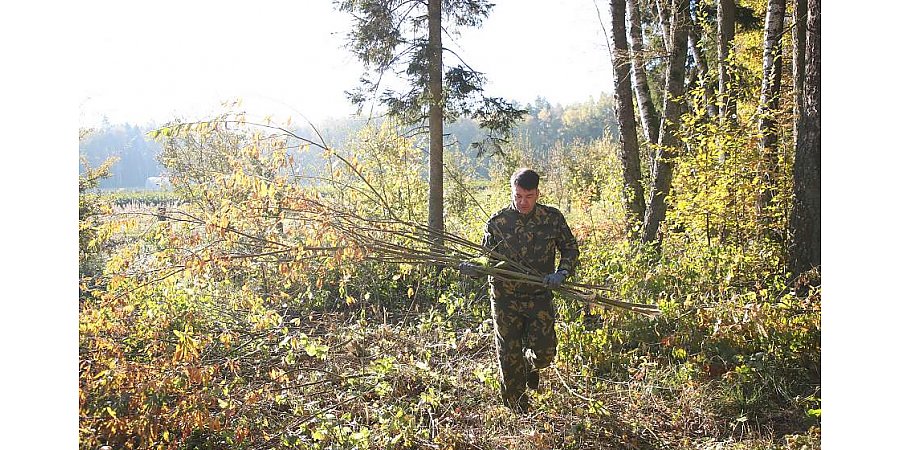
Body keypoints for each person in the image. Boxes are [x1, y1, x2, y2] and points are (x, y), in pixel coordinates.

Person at [459, 168, 579, 412]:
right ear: (512, 192)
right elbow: (487, 259)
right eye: (518, 196)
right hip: (506, 297)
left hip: (539, 295)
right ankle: (517, 408)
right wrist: (475, 267)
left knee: (545, 353)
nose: (523, 202)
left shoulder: (552, 218)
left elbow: (570, 249)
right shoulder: (498, 222)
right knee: (508, 354)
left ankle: (529, 365)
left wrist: (562, 272)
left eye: (529, 196)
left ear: (538, 193)